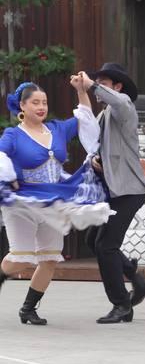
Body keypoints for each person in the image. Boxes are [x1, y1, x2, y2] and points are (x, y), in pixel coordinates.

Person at [0, 78, 112, 325]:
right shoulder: (13, 135)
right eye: (35, 102)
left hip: (55, 200)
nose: (41, 107)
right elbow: (1, 155)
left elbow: (84, 119)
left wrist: (82, 91)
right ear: (22, 106)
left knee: (50, 258)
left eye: (44, 102)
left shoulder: (57, 129)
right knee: (21, 258)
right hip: (22, 202)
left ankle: (28, 309)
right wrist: (8, 177)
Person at [79, 63, 145, 324]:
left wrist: (90, 84)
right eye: (97, 82)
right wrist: (94, 162)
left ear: (117, 87)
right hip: (114, 191)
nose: (99, 88)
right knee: (93, 241)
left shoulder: (124, 106)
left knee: (106, 245)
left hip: (130, 190)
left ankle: (122, 305)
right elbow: (96, 146)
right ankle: (137, 281)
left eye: (104, 83)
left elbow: (118, 102)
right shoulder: (104, 114)